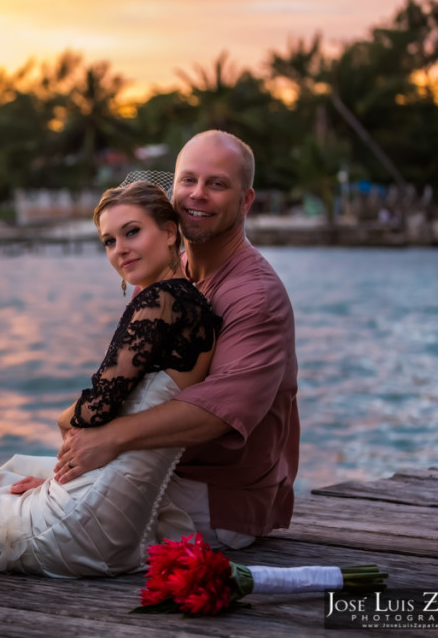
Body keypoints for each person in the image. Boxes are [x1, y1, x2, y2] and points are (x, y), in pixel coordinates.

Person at [0, 180, 222, 578]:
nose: (120, 250)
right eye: (109, 241)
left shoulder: (158, 301)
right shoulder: (200, 309)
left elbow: (97, 408)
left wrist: (64, 420)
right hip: (126, 529)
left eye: (132, 232)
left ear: (168, 231)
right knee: (0, 489)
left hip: (86, 523)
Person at [54, 130, 299, 550]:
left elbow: (218, 414)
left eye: (217, 184)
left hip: (216, 500)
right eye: (188, 180)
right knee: (8, 488)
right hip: (156, 467)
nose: (197, 194)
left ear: (245, 201)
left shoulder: (255, 296)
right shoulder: (166, 272)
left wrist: (109, 438)